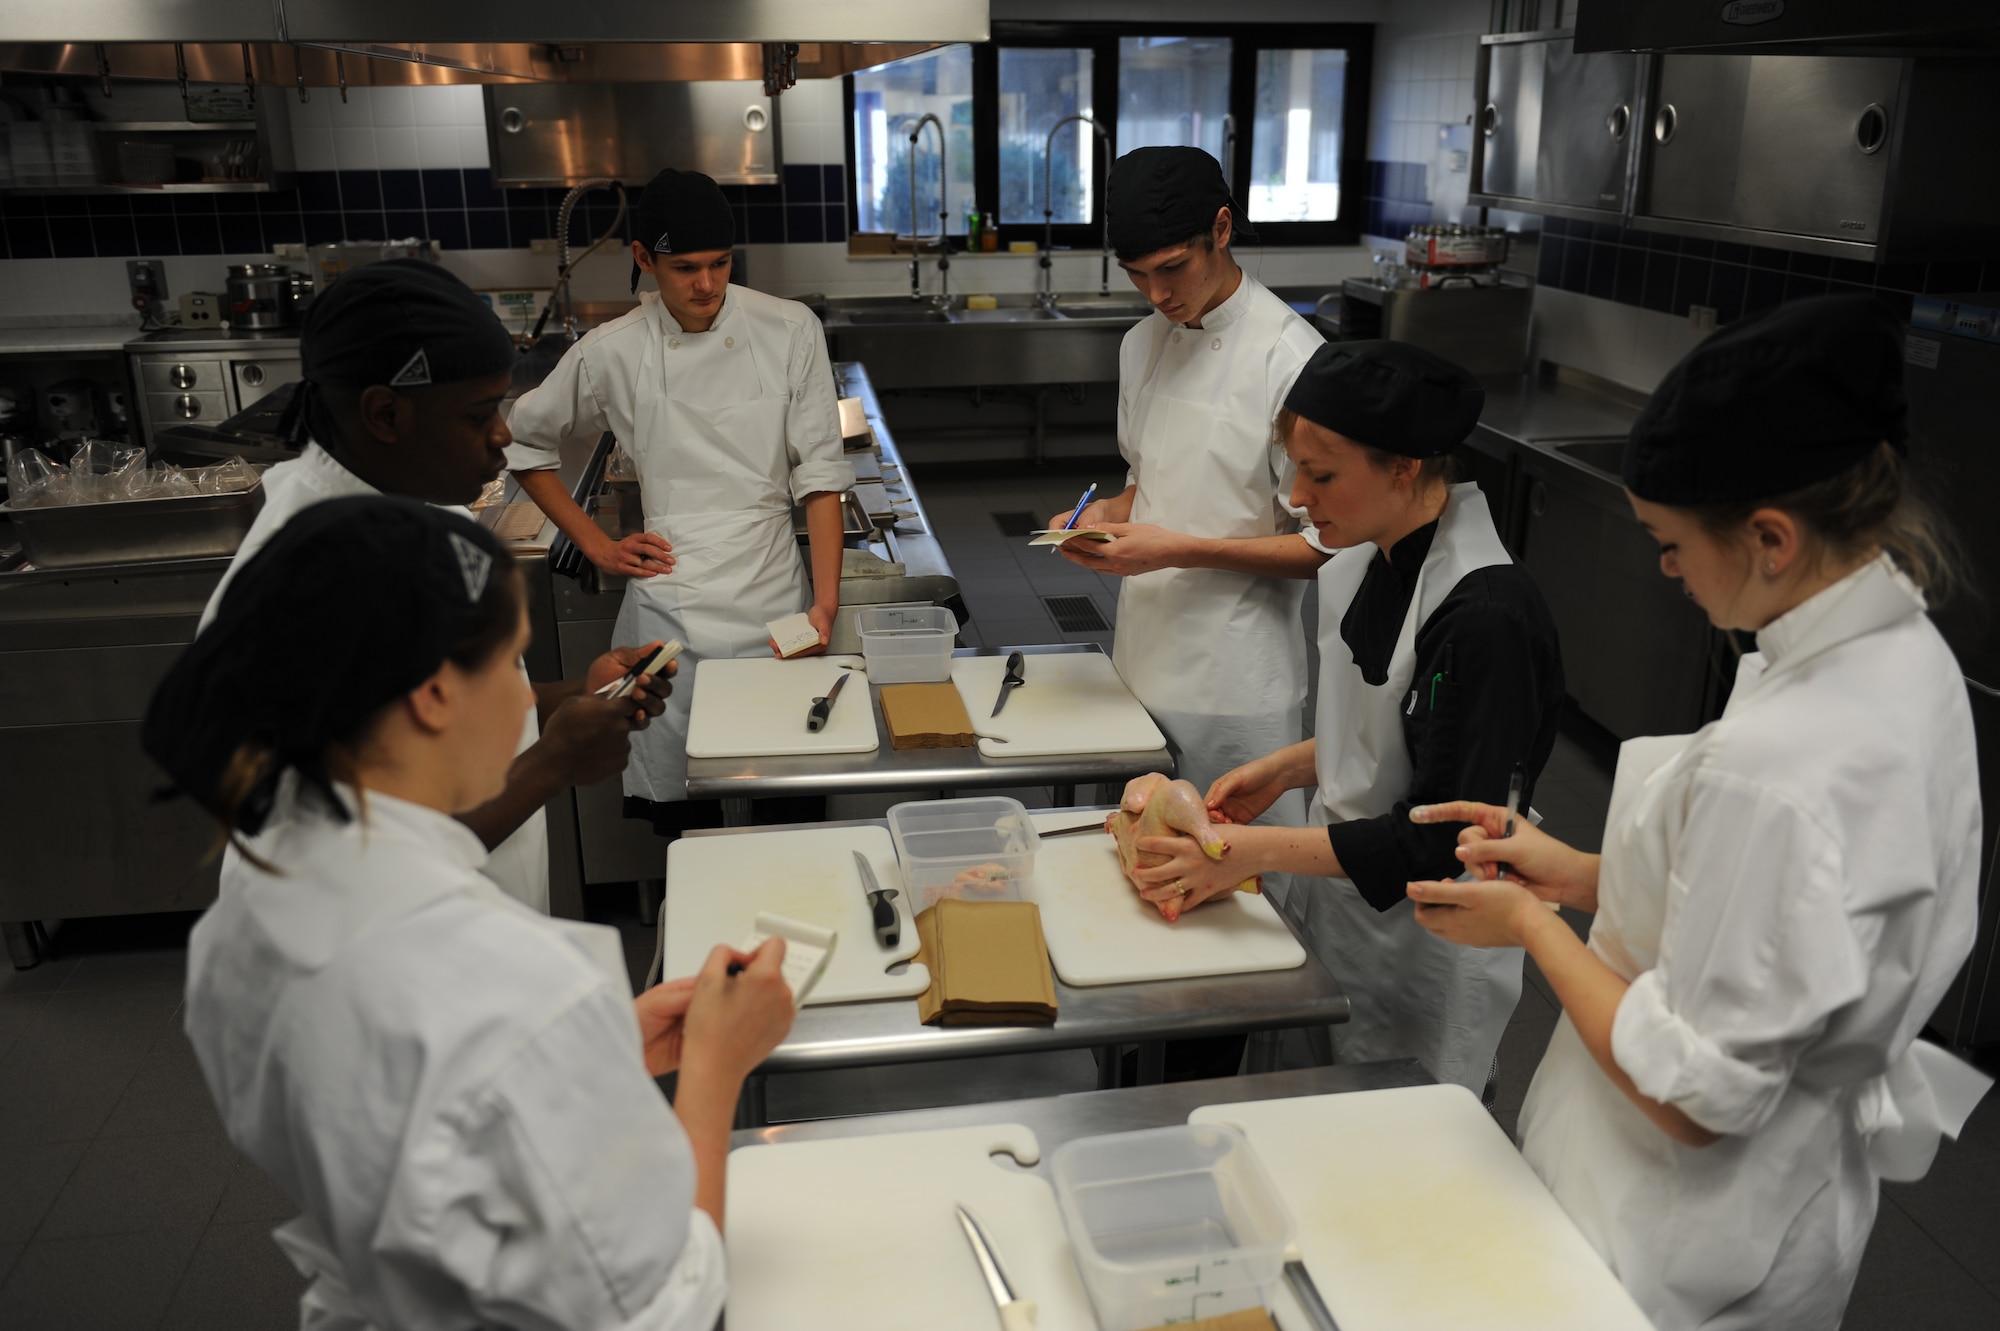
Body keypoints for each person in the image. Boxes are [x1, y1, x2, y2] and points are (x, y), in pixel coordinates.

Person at [1404, 294, 1991, 1330]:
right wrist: (1582, 872)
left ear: (1768, 534)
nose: (1665, 570)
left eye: (1668, 542)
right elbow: (1798, 924)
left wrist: (1531, 924)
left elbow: (1691, 1100)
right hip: (1781, 1196)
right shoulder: (1901, 650)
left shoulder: (1786, 760)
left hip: (1667, 1227)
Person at [148, 496, 795, 1329]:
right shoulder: (517, 989)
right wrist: (715, 1067)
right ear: (432, 695)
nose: (530, 698)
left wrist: (588, 1055)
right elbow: (667, 1301)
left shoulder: (242, 924)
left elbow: (424, 1132)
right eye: (516, 666)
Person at [1125, 340, 1564, 1094]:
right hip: (1350, 904)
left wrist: (1249, 850)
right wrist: (1288, 766)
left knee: (1403, 1143)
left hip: (1431, 936)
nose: (1297, 497)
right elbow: (1390, 720)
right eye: (1296, 468)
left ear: (1406, 466)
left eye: (1321, 474)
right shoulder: (1370, 552)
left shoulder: (1483, 616)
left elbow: (1438, 839)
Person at [200, 259, 666, 912]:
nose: (504, 434)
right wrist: (552, 765)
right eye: (478, 416)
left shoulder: (415, 503)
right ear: (385, 413)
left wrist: (572, 695)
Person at [506, 167, 853, 834]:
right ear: (643, 259)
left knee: (793, 794)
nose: (706, 285)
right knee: (684, 806)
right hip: (672, 612)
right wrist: (597, 544)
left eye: (720, 264)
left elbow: (820, 474)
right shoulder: (612, 350)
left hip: (774, 598)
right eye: (685, 267)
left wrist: (825, 603)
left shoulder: (790, 329)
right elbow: (525, 444)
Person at [1044, 145, 1327, 818]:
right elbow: (1150, 483)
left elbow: (1330, 545)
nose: (1157, 294)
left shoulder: (1291, 359)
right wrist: (1101, 517)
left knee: (1247, 892)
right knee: (1144, 867)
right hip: (1139, 664)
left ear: (1222, 229)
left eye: (1173, 268)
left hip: (1239, 689)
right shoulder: (1141, 343)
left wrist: (1179, 549)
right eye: (1137, 275)